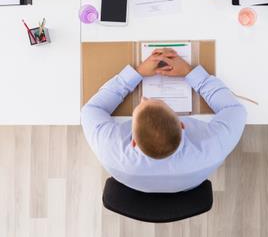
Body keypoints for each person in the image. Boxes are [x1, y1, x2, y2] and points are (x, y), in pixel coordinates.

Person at [81, 48, 246, 193]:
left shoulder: (109, 147)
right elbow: (235, 110)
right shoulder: (213, 146)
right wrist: (191, 73)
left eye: (141, 103)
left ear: (133, 142)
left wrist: (136, 73)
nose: (144, 98)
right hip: (187, 185)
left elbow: (91, 110)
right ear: (182, 125)